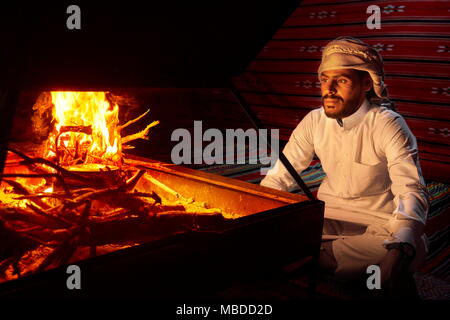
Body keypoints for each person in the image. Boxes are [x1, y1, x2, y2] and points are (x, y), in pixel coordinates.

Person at [260, 37, 429, 292]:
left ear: (365, 84)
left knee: (410, 243)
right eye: (324, 79)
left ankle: (312, 260)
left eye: (340, 80)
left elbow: (412, 189)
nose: (328, 89)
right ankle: (328, 262)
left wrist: (399, 247)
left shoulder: (388, 123)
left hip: (378, 223)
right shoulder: (314, 121)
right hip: (326, 217)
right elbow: (281, 175)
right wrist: (257, 215)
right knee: (271, 229)